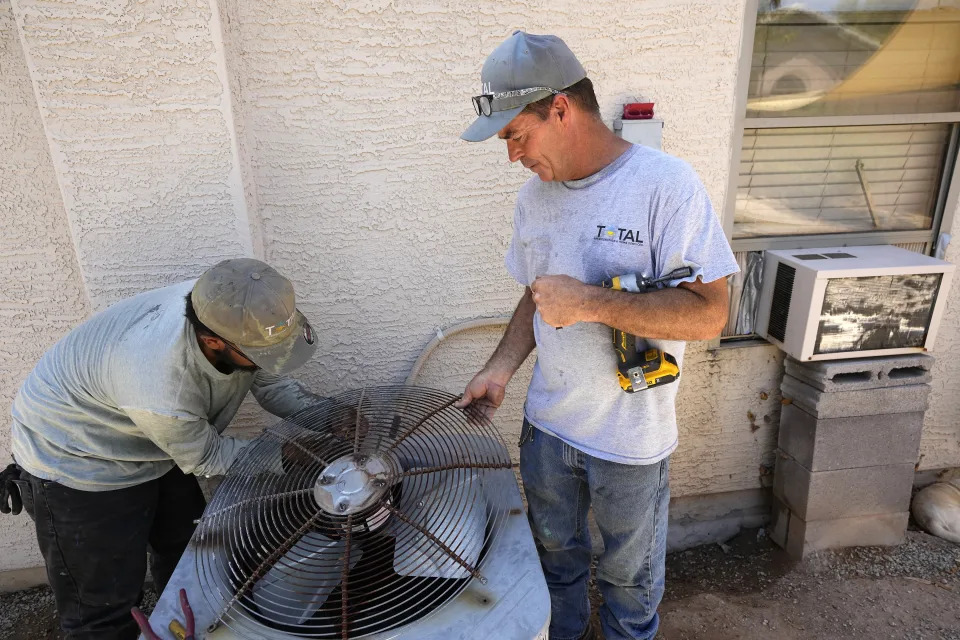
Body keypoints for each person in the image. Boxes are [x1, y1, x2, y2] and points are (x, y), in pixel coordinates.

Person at [456, 32, 739, 640]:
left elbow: (711, 314)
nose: (512, 157)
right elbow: (532, 297)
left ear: (560, 108)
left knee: (627, 587)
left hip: (631, 445)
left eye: (516, 135)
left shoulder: (666, 185)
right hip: (548, 431)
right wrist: (500, 368)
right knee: (554, 569)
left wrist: (587, 301)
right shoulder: (536, 198)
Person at [0, 257, 323, 640]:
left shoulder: (232, 307)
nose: (268, 361)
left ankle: (187, 628)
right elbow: (206, 457)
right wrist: (283, 455)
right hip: (79, 457)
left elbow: (272, 382)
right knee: (103, 607)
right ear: (212, 341)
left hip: (154, 439)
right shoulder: (159, 380)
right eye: (260, 354)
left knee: (190, 556)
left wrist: (325, 416)